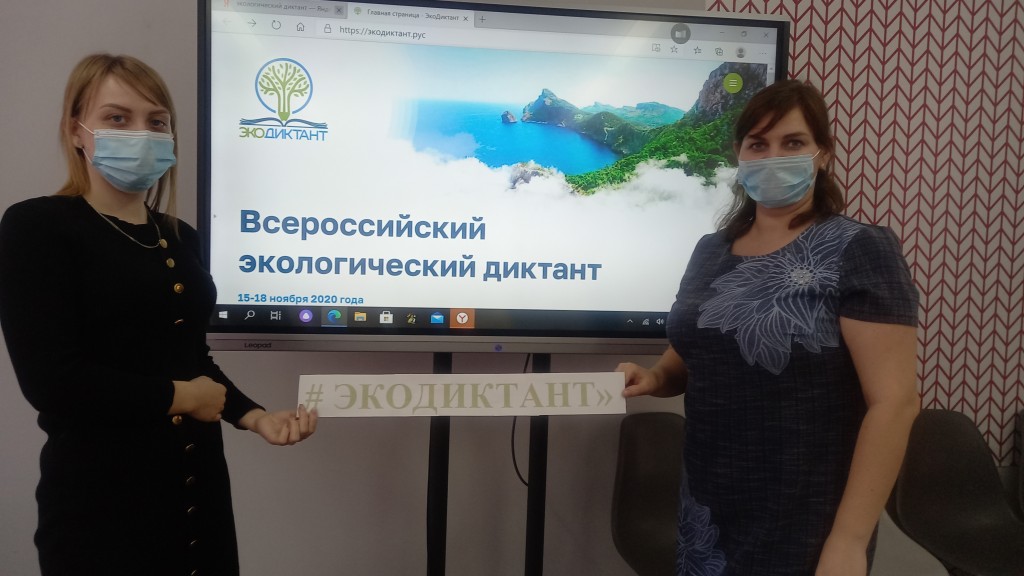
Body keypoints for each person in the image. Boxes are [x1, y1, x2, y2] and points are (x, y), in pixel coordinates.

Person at [0, 53, 318, 576]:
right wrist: (182, 397)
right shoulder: (38, 226)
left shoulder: (179, 236)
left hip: (198, 492)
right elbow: (52, 381)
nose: (141, 134)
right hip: (102, 503)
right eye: (117, 118)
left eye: (156, 122)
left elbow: (191, 358)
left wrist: (256, 417)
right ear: (76, 130)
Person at [617, 79, 920, 576]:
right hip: (708, 508)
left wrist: (848, 541)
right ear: (740, 155)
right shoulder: (711, 250)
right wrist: (656, 376)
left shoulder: (859, 249)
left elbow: (895, 404)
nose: (773, 156)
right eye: (758, 144)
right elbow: (702, 345)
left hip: (806, 515)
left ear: (822, 154)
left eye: (793, 142)